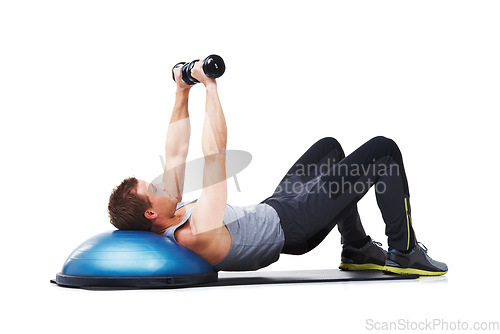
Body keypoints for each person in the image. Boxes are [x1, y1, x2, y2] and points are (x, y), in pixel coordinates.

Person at [108, 58, 448, 276]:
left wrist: (182, 90)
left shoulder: (170, 210)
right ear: (152, 214)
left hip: (277, 206)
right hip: (295, 227)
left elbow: (176, 150)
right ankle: (404, 251)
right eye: (153, 189)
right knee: (383, 151)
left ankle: (356, 247)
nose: (161, 185)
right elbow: (214, 155)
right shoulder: (195, 232)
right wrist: (210, 87)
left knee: (328, 148)